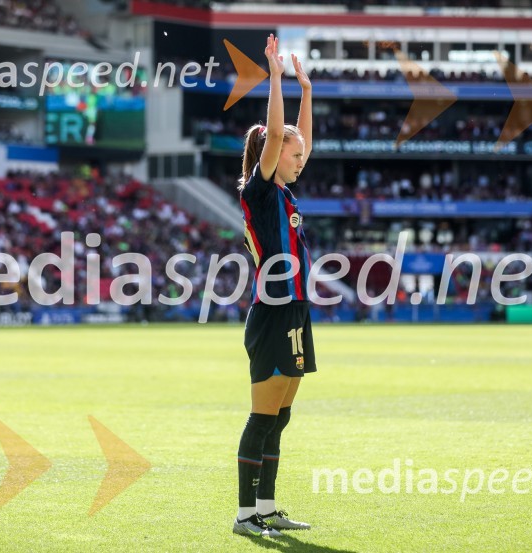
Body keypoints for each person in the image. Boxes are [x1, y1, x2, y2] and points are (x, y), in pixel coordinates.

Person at [233, 34, 315, 539]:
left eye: (303, 153)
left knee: (280, 418)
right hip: (272, 312)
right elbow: (279, 135)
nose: (301, 158)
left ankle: (267, 507)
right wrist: (278, 80)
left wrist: (307, 91)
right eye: (294, 152)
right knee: (262, 417)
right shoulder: (260, 191)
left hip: (296, 310)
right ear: (272, 151)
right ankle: (245, 516)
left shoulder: (283, 191)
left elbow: (298, 138)